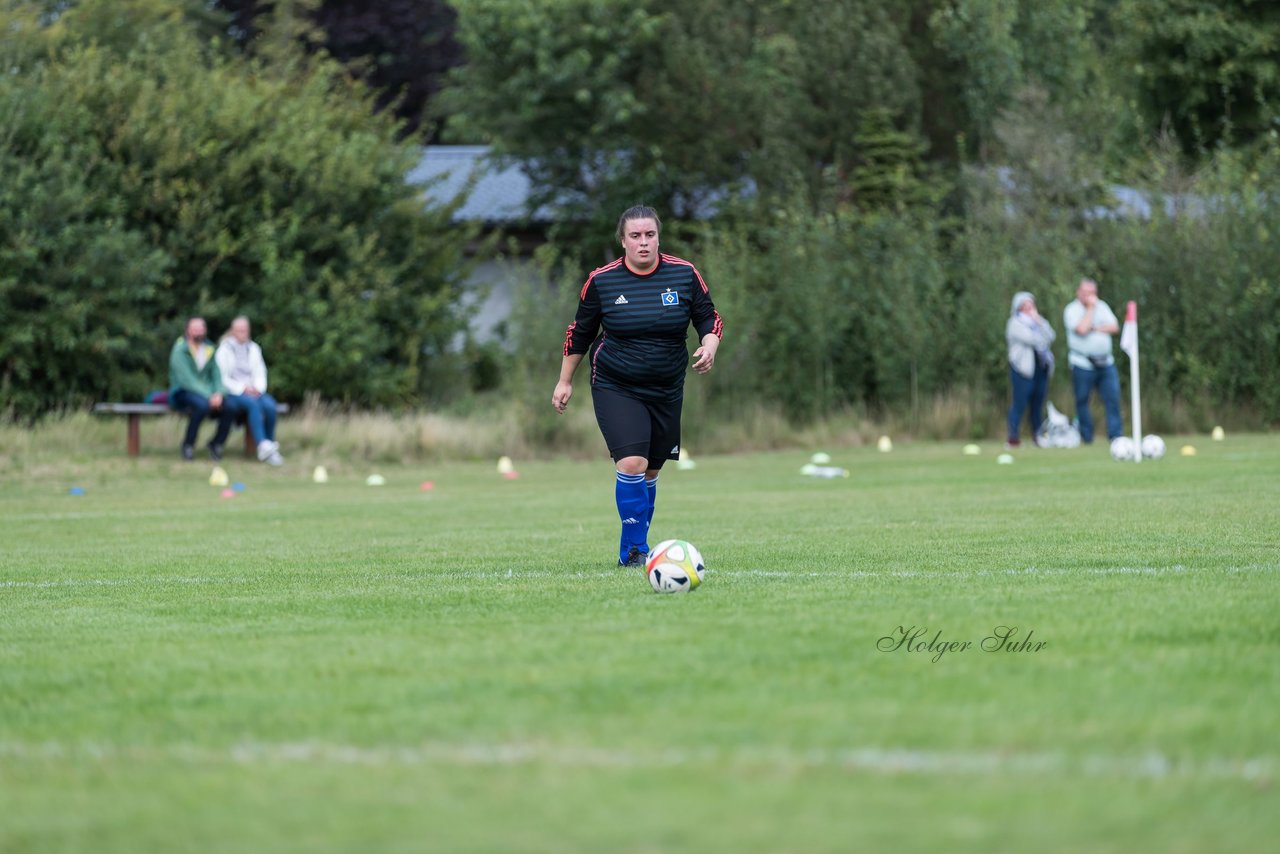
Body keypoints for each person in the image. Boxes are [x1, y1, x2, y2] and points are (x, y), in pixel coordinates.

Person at [552, 205, 723, 567]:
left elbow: (709, 317)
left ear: (658, 238)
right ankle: (633, 553)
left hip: (666, 386)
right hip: (616, 383)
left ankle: (639, 544)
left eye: (650, 235)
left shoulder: (684, 274)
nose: (643, 242)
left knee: (650, 471)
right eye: (635, 236)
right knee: (632, 462)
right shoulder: (602, 281)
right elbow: (578, 333)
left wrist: (709, 344)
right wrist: (564, 381)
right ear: (623, 241)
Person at [215, 315, 284, 466]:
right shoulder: (224, 350)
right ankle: (262, 445)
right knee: (253, 406)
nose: (242, 333)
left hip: (254, 391)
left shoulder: (254, 348)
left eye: (245, 330)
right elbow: (222, 377)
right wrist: (243, 388)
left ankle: (270, 446)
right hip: (234, 392)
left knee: (270, 406)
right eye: (239, 330)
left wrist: (258, 389)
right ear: (233, 331)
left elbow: (260, 372)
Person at [1063, 278, 1123, 444]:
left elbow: (1114, 327)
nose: (1090, 296)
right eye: (1086, 292)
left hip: (1105, 363)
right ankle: (1086, 436)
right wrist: (1090, 309)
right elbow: (1081, 329)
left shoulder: (1102, 306)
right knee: (1082, 400)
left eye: (1092, 293)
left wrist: (1095, 328)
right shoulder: (1072, 310)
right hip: (1082, 363)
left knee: (1112, 398)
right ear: (1079, 292)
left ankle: (1116, 436)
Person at [169, 316, 235, 461]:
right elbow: (187, 380)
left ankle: (216, 444)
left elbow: (216, 375)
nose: (199, 331)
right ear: (187, 331)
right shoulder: (180, 350)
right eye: (195, 328)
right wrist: (209, 396)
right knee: (202, 406)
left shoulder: (209, 348)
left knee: (230, 407)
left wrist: (219, 393)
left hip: (208, 394)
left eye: (201, 328)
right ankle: (188, 445)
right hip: (182, 392)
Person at [1005, 291, 1055, 448]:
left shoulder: (1038, 322)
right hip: (1023, 369)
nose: (1028, 308)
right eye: (1024, 306)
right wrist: (1041, 330)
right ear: (1018, 307)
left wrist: (1039, 321)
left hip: (1041, 367)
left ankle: (1038, 436)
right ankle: (1013, 437)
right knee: (1019, 403)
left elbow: (1051, 336)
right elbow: (1033, 339)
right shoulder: (1014, 323)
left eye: (1030, 305)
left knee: (1037, 403)